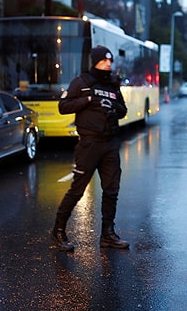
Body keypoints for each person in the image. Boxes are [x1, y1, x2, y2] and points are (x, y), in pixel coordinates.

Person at [51, 45, 129, 251]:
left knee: (111, 190)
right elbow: (63, 106)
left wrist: (113, 108)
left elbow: (123, 111)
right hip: (89, 144)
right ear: (94, 61)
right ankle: (58, 231)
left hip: (110, 144)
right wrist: (87, 100)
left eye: (110, 61)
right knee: (77, 189)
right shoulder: (82, 82)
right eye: (104, 61)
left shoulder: (113, 84)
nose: (108, 64)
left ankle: (108, 235)